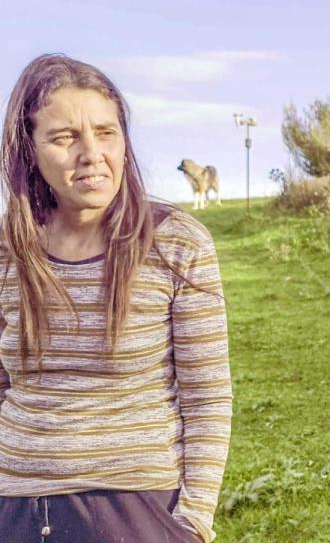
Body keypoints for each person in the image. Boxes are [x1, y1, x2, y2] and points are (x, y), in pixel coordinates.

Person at [0, 54, 232, 542]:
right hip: (14, 509)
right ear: (29, 152)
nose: (91, 153)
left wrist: (191, 524)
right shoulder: (7, 249)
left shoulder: (176, 243)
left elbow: (207, 395)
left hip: (139, 510)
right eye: (65, 138)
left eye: (105, 133)